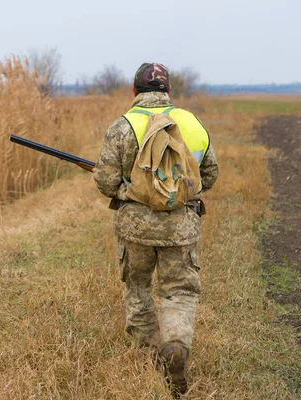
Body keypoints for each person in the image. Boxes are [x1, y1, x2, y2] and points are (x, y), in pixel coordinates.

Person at [93, 62, 219, 396]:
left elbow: (105, 181)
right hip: (181, 227)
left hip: (135, 228)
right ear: (168, 91)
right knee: (179, 291)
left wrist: (127, 192)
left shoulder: (122, 126)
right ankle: (175, 346)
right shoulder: (191, 122)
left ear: (134, 90)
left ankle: (149, 358)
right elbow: (210, 174)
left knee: (137, 286)